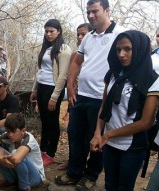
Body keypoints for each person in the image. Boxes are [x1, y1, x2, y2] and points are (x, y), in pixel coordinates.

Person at [55, 0, 125, 189]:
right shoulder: (88, 37)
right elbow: (77, 61)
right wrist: (70, 85)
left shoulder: (120, 34)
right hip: (81, 96)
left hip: (101, 99)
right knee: (75, 135)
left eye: (95, 11)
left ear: (107, 10)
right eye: (88, 12)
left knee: (96, 139)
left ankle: (91, 175)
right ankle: (74, 172)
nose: (91, 15)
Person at [89, 30, 158, 191]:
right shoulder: (113, 74)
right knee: (109, 184)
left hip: (132, 146)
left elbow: (146, 122)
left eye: (127, 49)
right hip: (109, 142)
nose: (121, 54)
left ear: (140, 50)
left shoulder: (152, 80)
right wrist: (98, 132)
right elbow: (104, 106)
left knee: (124, 187)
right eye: (118, 49)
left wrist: (108, 134)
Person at [30, 19, 71, 166]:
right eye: (46, 31)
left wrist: (54, 96)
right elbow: (40, 70)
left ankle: (51, 153)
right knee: (45, 121)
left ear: (58, 31)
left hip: (53, 89)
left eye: (51, 31)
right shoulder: (46, 48)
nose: (48, 34)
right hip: (42, 87)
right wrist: (34, 89)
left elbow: (63, 75)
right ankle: (43, 150)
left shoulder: (64, 49)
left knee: (52, 122)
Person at [58, 23, 93, 171]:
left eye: (83, 34)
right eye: (78, 34)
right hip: (76, 97)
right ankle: (73, 161)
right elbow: (68, 77)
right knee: (73, 132)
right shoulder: (75, 55)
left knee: (90, 133)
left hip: (93, 98)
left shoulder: (97, 53)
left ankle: (89, 164)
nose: (79, 37)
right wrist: (71, 90)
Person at [0, 113, 45, 191]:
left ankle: (24, 187)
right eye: (8, 131)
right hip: (18, 172)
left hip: (35, 177)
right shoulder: (7, 135)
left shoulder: (29, 139)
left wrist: (2, 158)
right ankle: (10, 180)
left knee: (15, 153)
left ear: (23, 131)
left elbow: (16, 159)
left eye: (14, 131)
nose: (10, 134)